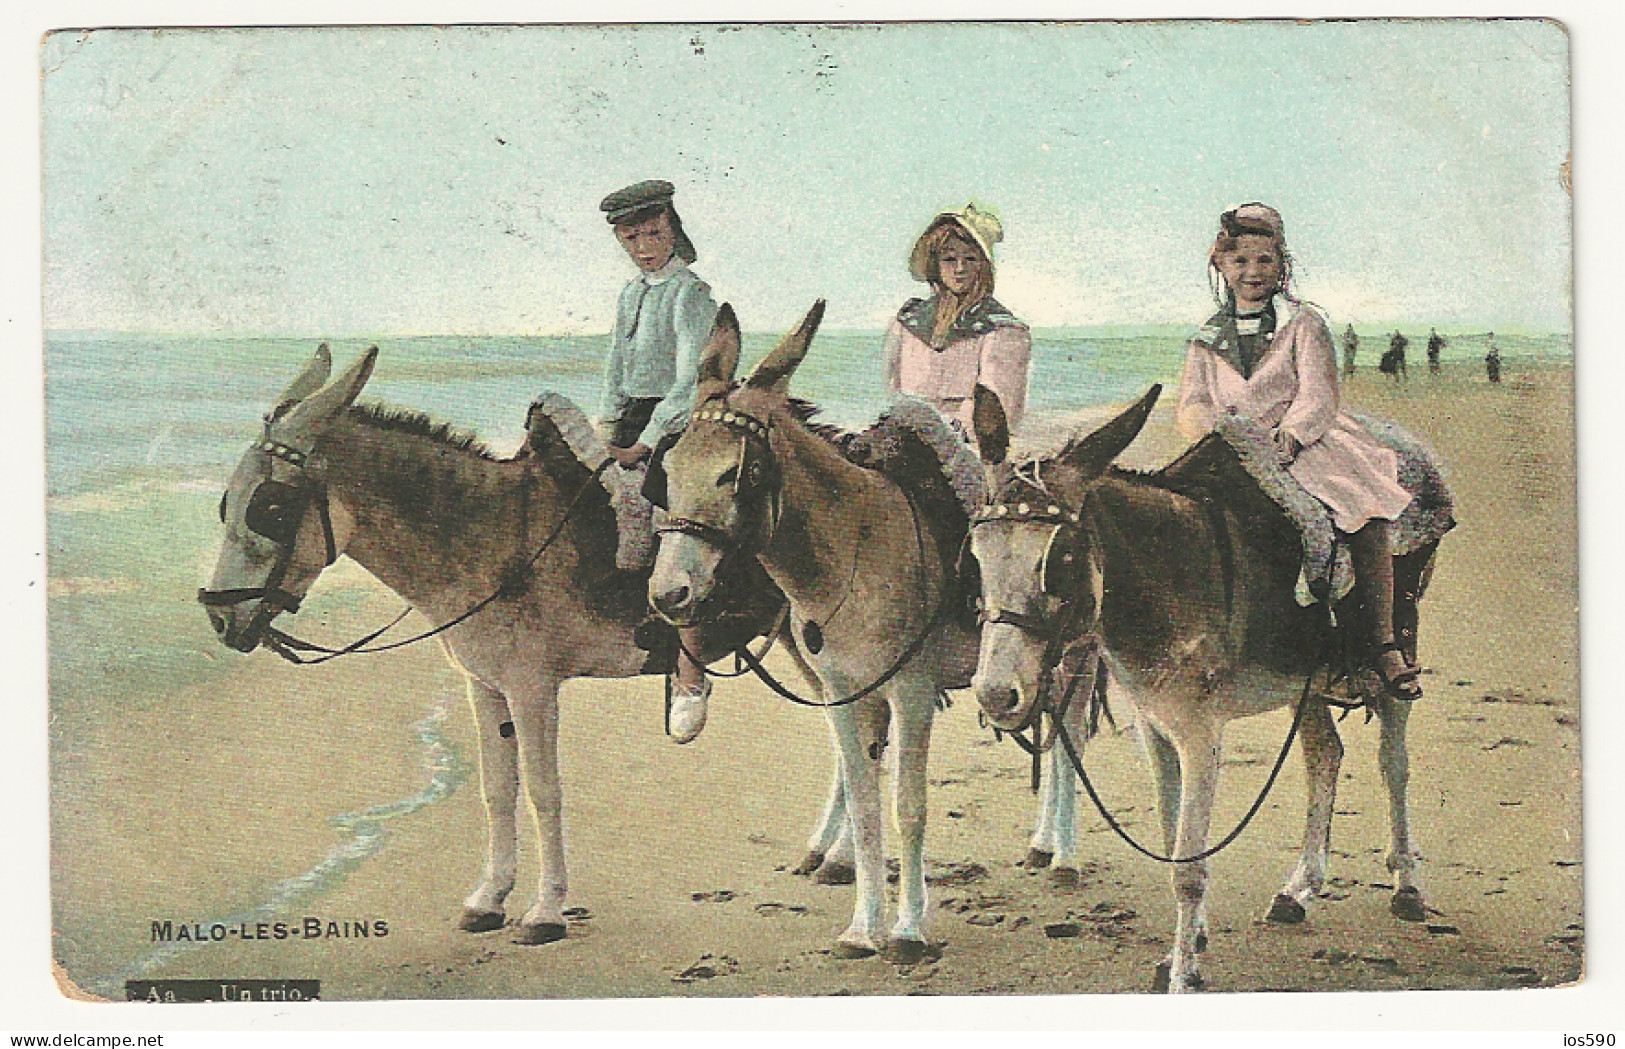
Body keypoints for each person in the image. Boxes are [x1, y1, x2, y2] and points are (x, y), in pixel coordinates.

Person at [1175, 202, 1421, 700]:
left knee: (1361, 511)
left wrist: (1291, 432)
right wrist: (1216, 431)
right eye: (1240, 262)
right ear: (1221, 266)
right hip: (1233, 448)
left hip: (1303, 443)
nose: (1252, 273)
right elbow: (1192, 402)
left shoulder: (1303, 323)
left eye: (1264, 261)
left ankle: (1381, 642)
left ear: (1280, 265)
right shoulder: (1205, 339)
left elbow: (1318, 393)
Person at [596, 179, 719, 743]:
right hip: (631, 419)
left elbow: (691, 378)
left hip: (677, 422)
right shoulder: (630, 293)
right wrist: (605, 429)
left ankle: (690, 673)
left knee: (674, 530)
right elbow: (616, 366)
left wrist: (644, 442)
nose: (644, 246)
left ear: (673, 230)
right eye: (632, 237)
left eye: (653, 233)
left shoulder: (691, 293)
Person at [883, 203, 1031, 440]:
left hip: (968, 447)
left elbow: (998, 415)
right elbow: (893, 393)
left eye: (970, 259)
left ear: (983, 266)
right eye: (950, 259)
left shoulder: (1003, 329)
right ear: (936, 265)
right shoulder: (906, 323)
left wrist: (940, 435)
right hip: (906, 440)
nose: (960, 269)